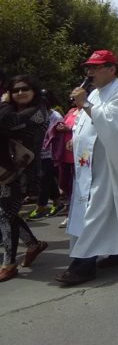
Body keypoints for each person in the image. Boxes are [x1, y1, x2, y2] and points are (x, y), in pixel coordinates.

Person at [57, 50, 118, 286]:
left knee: (95, 212)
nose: (90, 72)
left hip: (111, 164)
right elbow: (88, 122)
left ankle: (83, 265)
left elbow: (116, 127)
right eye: (89, 68)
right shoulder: (95, 94)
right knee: (105, 210)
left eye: (96, 67)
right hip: (90, 163)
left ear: (111, 69)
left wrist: (84, 103)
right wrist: (76, 136)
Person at [0, 74, 49, 282]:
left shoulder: (37, 112)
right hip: (7, 169)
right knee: (6, 212)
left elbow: (7, 122)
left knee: (4, 215)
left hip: (23, 173)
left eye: (24, 89)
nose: (20, 93)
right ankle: (32, 244)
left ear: (34, 91)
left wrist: (4, 104)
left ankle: (9, 264)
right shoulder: (18, 110)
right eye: (15, 90)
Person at [27, 89, 64, 220]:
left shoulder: (56, 117)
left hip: (52, 153)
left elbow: (60, 136)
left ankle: (40, 207)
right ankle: (58, 203)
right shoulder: (37, 115)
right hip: (39, 152)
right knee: (47, 178)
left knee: (44, 179)